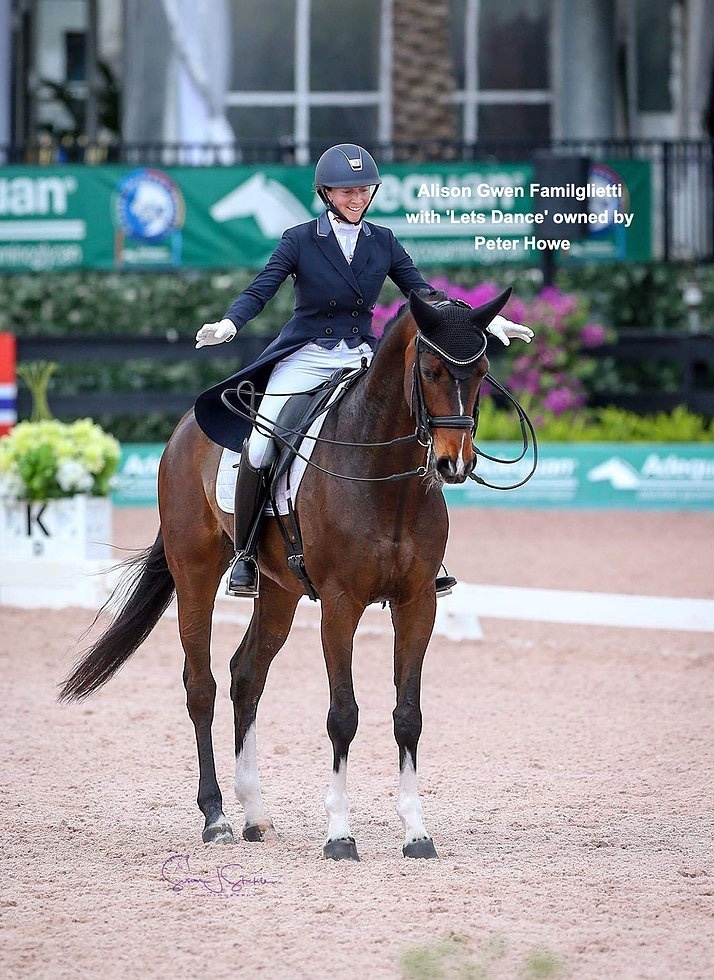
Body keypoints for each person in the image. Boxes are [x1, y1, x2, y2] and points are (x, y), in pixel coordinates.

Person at [194, 143, 533, 597]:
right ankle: (246, 554)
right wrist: (230, 323)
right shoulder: (299, 239)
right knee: (259, 445)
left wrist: (487, 321)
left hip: (359, 356)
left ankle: (424, 553)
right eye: (346, 191)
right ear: (326, 193)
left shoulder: (383, 241)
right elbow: (261, 289)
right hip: (307, 355)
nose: (356, 198)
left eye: (363, 190)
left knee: (410, 429)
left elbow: (425, 294)